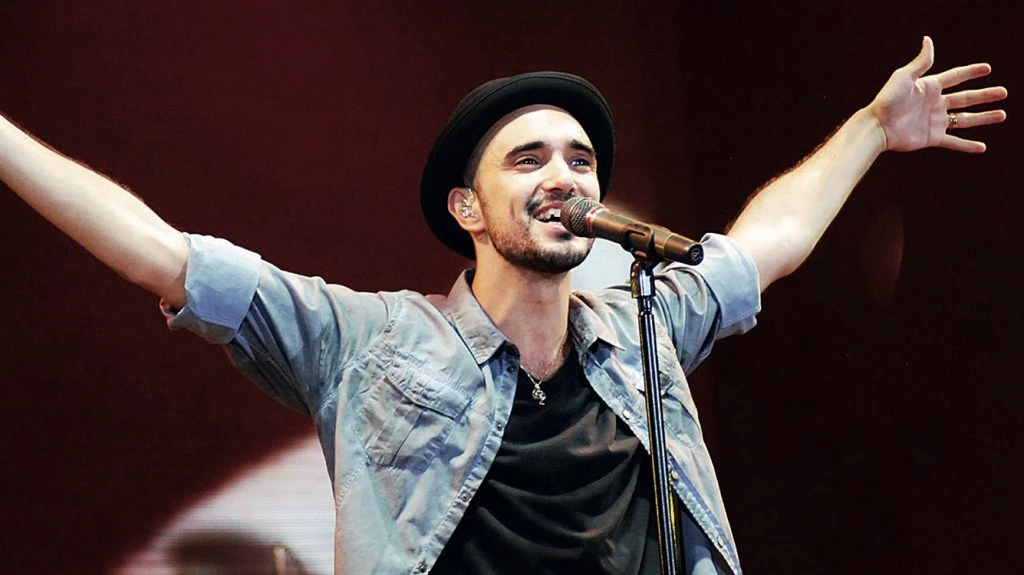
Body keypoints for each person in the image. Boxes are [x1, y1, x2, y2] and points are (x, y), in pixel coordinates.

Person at [0, 36, 1006, 574]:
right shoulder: (370, 341)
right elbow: (165, 258)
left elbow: (765, 246)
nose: (564, 175)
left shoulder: (644, 327)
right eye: (528, 159)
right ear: (467, 208)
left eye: (580, 159)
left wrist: (872, 128)